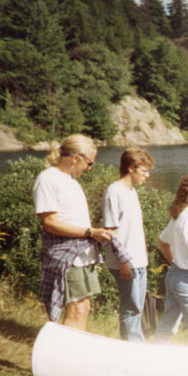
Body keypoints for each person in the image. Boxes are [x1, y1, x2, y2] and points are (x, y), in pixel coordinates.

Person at [33, 134, 125, 329]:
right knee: (76, 309)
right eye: (89, 163)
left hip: (83, 256)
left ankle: (72, 353)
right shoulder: (48, 179)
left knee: (83, 307)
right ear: (76, 157)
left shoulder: (71, 181)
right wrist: (90, 233)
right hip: (66, 255)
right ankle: (64, 356)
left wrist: (94, 233)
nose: (89, 168)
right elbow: (49, 223)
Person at [152, 174, 188, 347]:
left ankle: (154, 357)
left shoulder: (178, 215)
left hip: (174, 276)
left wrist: (175, 262)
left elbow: (163, 242)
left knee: (167, 325)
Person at [102, 148, 154, 342]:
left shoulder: (131, 192)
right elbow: (110, 231)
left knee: (137, 308)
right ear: (131, 168)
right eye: (144, 171)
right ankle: (133, 350)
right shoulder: (114, 192)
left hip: (139, 261)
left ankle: (132, 347)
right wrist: (122, 262)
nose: (147, 176)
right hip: (125, 262)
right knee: (130, 309)